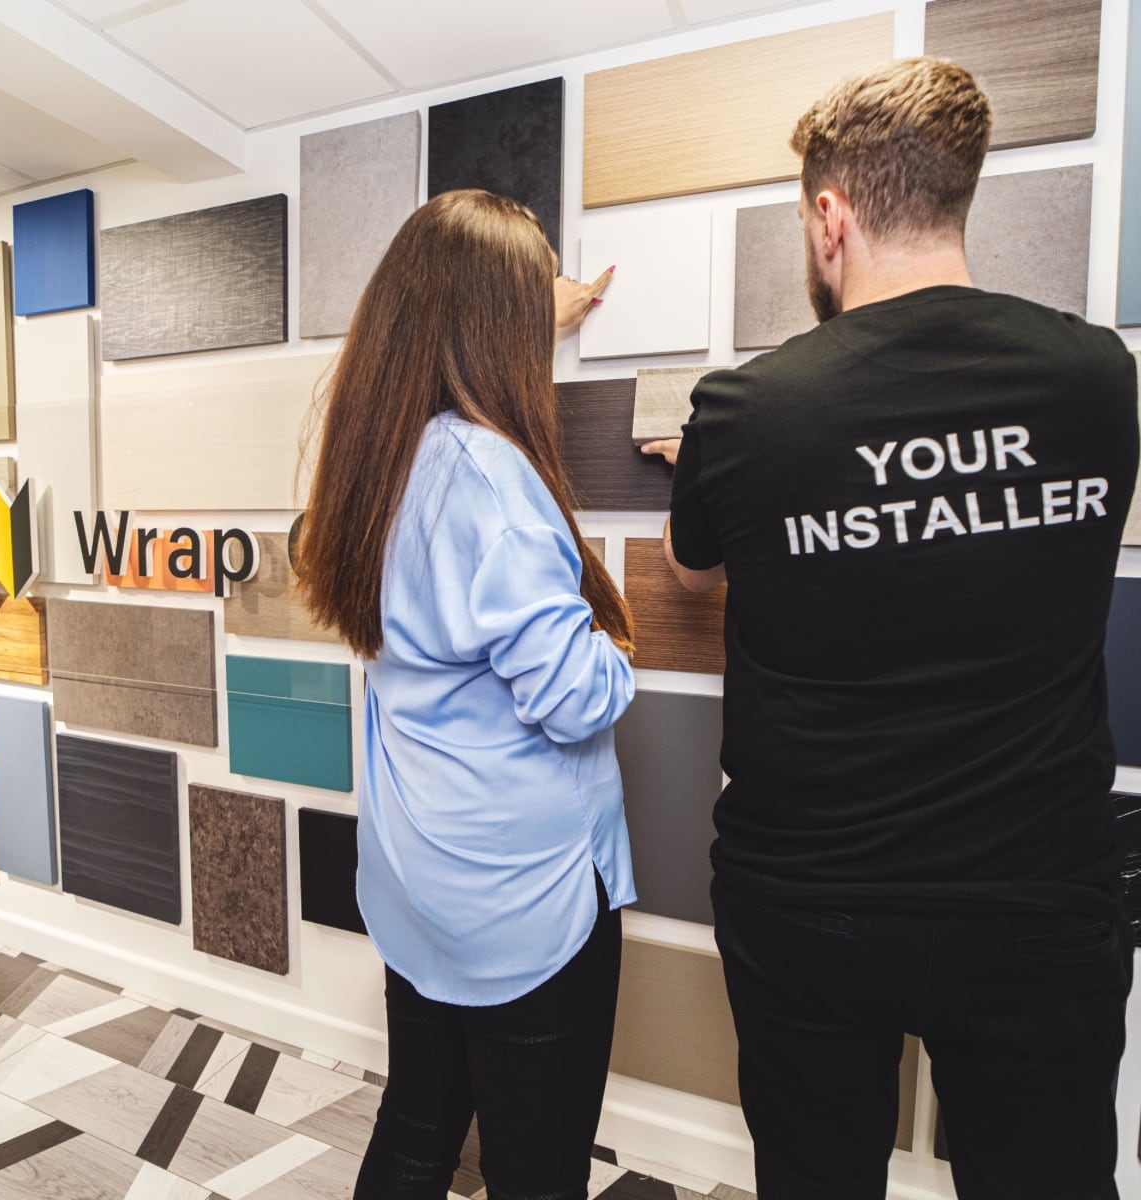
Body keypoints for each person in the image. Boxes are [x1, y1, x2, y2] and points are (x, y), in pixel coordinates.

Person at [644, 57, 1139, 1200]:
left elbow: (689, 565)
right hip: (1038, 901)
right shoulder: (1098, 379)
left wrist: (713, 467)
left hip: (811, 905)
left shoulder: (745, 411)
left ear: (831, 217)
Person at [294, 188, 636, 1200]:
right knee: (538, 1172)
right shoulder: (495, 479)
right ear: (497, 325)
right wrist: (617, 644)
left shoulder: (377, 455)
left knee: (418, 1129)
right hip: (522, 898)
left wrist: (533, 312)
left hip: (420, 877)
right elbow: (576, 697)